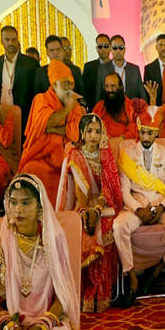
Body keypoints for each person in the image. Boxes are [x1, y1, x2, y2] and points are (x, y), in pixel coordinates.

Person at [0, 174, 81, 330]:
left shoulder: (53, 241)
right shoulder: (0, 245)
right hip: (12, 326)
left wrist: (41, 328)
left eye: (26, 203)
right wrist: (11, 329)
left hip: (50, 325)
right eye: (13, 202)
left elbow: (62, 298)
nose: (18, 210)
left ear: (39, 207)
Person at [114, 109, 165, 304]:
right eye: (143, 132)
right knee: (118, 226)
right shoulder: (127, 154)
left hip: (160, 203)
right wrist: (138, 209)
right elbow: (124, 190)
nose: (146, 137)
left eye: (150, 133)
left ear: (156, 133)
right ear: (138, 132)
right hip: (137, 204)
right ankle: (130, 275)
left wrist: (162, 207)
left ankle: (158, 271)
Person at [56, 115, 122, 312]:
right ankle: (84, 292)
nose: (94, 136)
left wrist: (98, 208)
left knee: (107, 226)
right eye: (90, 131)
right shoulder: (75, 154)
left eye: (97, 131)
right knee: (84, 228)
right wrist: (86, 211)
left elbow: (110, 187)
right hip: (81, 204)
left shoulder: (105, 155)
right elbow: (77, 191)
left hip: (104, 205)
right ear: (82, 133)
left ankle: (100, 294)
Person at [18, 60, 85, 205]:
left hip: (66, 156)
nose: (69, 87)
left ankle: (64, 211)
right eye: (65, 83)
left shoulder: (75, 105)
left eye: (71, 83)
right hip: (41, 155)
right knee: (31, 168)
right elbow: (47, 123)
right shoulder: (41, 99)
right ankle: (37, 210)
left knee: (76, 170)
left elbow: (75, 132)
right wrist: (67, 109)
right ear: (54, 85)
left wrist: (53, 129)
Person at [0, 26, 39, 133]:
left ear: (18, 40)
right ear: (1, 41)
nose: (10, 43)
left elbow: (37, 92)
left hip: (24, 115)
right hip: (0, 114)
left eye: (14, 39)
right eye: (7, 40)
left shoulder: (31, 64)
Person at [92, 72, 157, 140]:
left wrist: (122, 138)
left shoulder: (132, 107)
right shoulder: (99, 108)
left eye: (113, 86)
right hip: (104, 144)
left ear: (121, 87)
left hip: (128, 144)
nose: (109, 90)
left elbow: (142, 126)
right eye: (107, 86)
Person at [95, 35, 146, 103]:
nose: (118, 51)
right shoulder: (103, 69)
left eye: (121, 47)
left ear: (124, 49)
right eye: (115, 48)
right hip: (109, 107)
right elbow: (98, 96)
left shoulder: (134, 69)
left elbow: (142, 95)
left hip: (131, 108)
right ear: (110, 49)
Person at [83, 33, 111, 109]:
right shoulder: (89, 67)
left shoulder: (116, 67)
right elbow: (85, 91)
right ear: (96, 48)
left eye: (106, 46)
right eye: (100, 46)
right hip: (94, 109)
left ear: (110, 47)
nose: (103, 49)